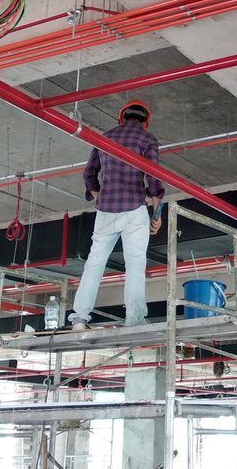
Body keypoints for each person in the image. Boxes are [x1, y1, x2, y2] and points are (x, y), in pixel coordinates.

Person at [70, 100, 165, 330]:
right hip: (134, 208)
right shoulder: (147, 139)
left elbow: (89, 174)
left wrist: (100, 196)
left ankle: (80, 318)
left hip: (105, 211)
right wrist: (157, 213)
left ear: (121, 118)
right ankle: (134, 319)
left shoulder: (105, 137)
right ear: (145, 121)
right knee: (135, 263)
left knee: (94, 263)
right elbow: (153, 177)